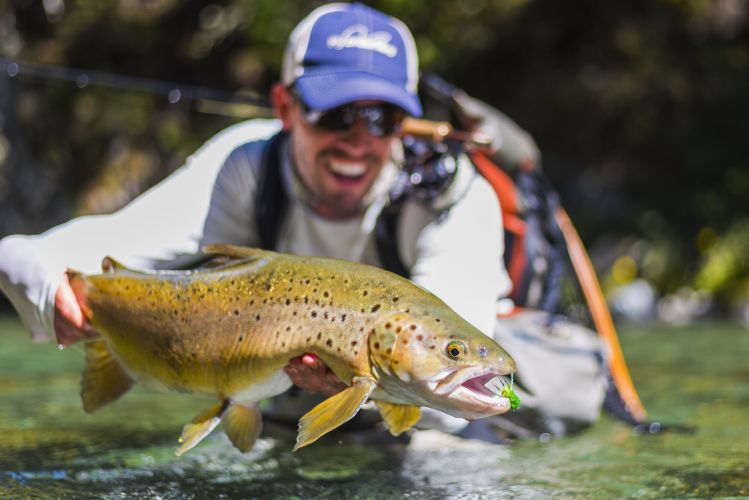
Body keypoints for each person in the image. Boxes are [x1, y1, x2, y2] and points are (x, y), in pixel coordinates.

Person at [0, 2, 606, 440]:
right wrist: (53, 286)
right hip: (273, 391)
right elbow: (66, 252)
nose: (356, 141)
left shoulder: (453, 196)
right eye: (335, 113)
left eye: (382, 119)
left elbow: (436, 365)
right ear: (286, 108)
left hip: (404, 408)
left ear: (409, 123)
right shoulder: (243, 167)